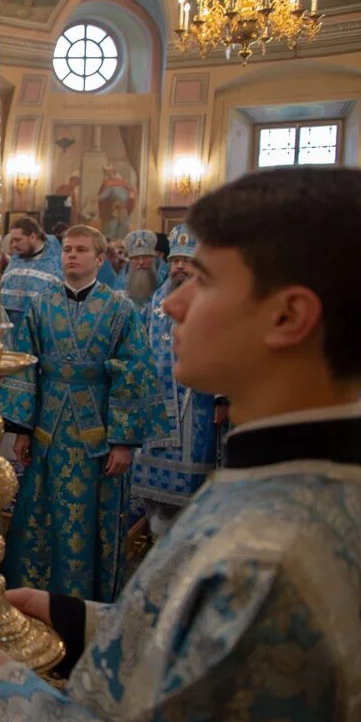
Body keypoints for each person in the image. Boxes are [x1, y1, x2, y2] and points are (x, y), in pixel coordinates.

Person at [0, 166, 361, 722]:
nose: (171, 303)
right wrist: (70, 614)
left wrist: (2, 690)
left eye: (205, 280)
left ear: (288, 316)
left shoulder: (269, 560)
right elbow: (199, 637)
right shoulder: (288, 486)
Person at [1, 224, 162, 601]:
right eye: (67, 249)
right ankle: (32, 600)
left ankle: (84, 605)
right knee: (40, 515)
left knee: (91, 520)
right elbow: (26, 363)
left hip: (99, 438)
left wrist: (123, 442)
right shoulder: (42, 305)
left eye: (81, 250)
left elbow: (133, 370)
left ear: (100, 258)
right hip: (47, 430)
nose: (71, 255)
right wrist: (21, 428)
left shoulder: (120, 308)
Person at [131, 225, 221, 539]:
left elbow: (225, 350)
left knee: (191, 491)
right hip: (154, 407)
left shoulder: (213, 302)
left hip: (195, 408)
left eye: (186, 260)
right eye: (174, 260)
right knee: (151, 493)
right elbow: (139, 349)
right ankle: (154, 539)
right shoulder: (155, 303)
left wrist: (223, 398)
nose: (179, 266)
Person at [0, 215, 62, 330]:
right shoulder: (15, 260)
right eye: (12, 240)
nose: (13, 245)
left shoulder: (55, 264)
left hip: (39, 330)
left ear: (33, 237)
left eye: (18, 240)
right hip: (9, 330)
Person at [123, 228, 162, 308]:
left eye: (145, 257)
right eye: (136, 258)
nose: (141, 262)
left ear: (153, 259)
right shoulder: (120, 285)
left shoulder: (163, 282)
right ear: (130, 261)